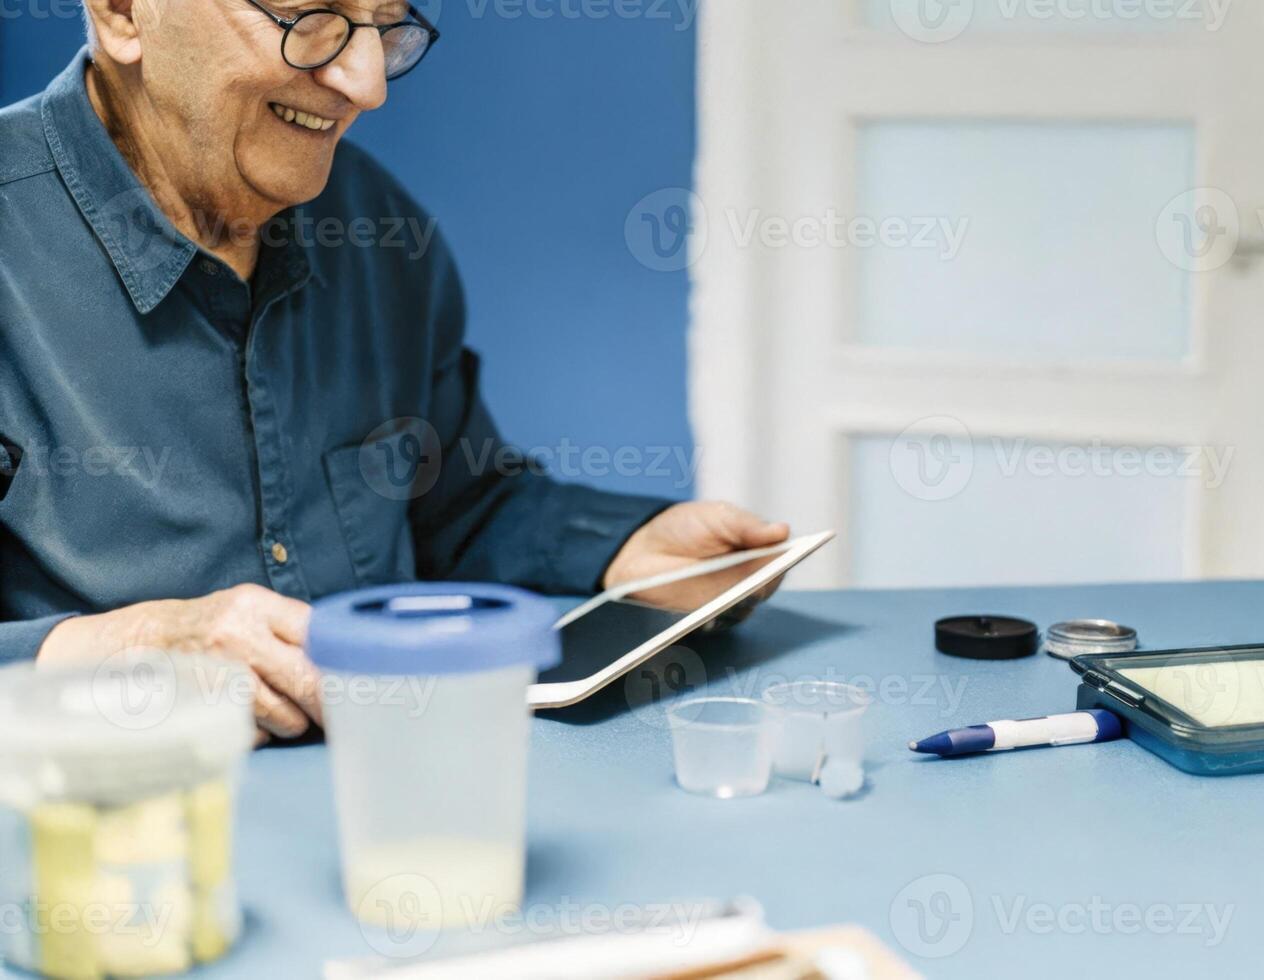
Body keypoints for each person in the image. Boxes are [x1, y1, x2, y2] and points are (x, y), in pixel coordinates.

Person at [0, 0, 789, 742]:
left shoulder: (380, 230)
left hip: (395, 804)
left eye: (387, 24)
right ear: (123, 11)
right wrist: (132, 644)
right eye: (313, 15)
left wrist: (622, 550)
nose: (366, 83)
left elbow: (454, 510)